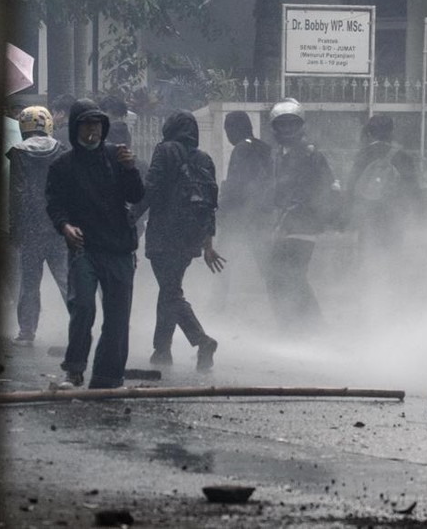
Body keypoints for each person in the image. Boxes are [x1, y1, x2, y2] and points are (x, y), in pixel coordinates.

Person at [45, 99, 145, 389]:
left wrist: (130, 168)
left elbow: (137, 195)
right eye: (87, 124)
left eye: (98, 124)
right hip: (84, 247)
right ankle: (74, 368)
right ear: (77, 127)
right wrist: (65, 227)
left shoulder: (117, 157)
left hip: (119, 248)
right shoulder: (62, 166)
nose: (93, 131)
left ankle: (107, 376)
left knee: (117, 316)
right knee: (84, 306)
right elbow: (55, 205)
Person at [143, 111, 224, 370]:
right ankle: (162, 351)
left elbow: (151, 189)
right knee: (169, 289)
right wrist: (208, 242)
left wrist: (131, 216)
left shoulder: (165, 150)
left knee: (170, 292)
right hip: (191, 236)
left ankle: (202, 340)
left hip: (164, 233)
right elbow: (211, 203)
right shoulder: (204, 159)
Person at [267, 98, 339, 334]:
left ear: (300, 126)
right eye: (282, 125)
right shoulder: (278, 155)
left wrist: (304, 206)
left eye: (291, 124)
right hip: (282, 226)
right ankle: (291, 324)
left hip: (304, 226)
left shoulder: (311, 155)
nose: (287, 129)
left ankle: (314, 325)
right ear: (275, 128)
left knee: (294, 276)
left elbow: (326, 188)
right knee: (278, 277)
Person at [6, 106, 70, 346]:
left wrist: (15, 230)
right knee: (66, 280)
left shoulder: (18, 153)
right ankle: (82, 326)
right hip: (57, 227)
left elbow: (17, 196)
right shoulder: (61, 150)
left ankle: (26, 333)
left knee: (30, 283)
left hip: (31, 230)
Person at [214, 111, 274, 308]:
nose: (227, 134)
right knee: (266, 263)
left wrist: (222, 206)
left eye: (228, 129)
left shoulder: (241, 149)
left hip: (240, 216)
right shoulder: (265, 148)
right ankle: (279, 301)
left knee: (222, 258)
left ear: (236, 128)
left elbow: (236, 184)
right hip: (261, 216)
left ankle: (218, 302)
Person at [346, 114, 422, 262]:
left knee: (368, 258)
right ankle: (389, 283)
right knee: (392, 259)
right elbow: (413, 190)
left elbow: (351, 187)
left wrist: (348, 216)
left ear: (369, 132)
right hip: (393, 217)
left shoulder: (363, 155)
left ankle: (369, 283)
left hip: (368, 217)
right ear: (392, 132)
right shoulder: (403, 157)